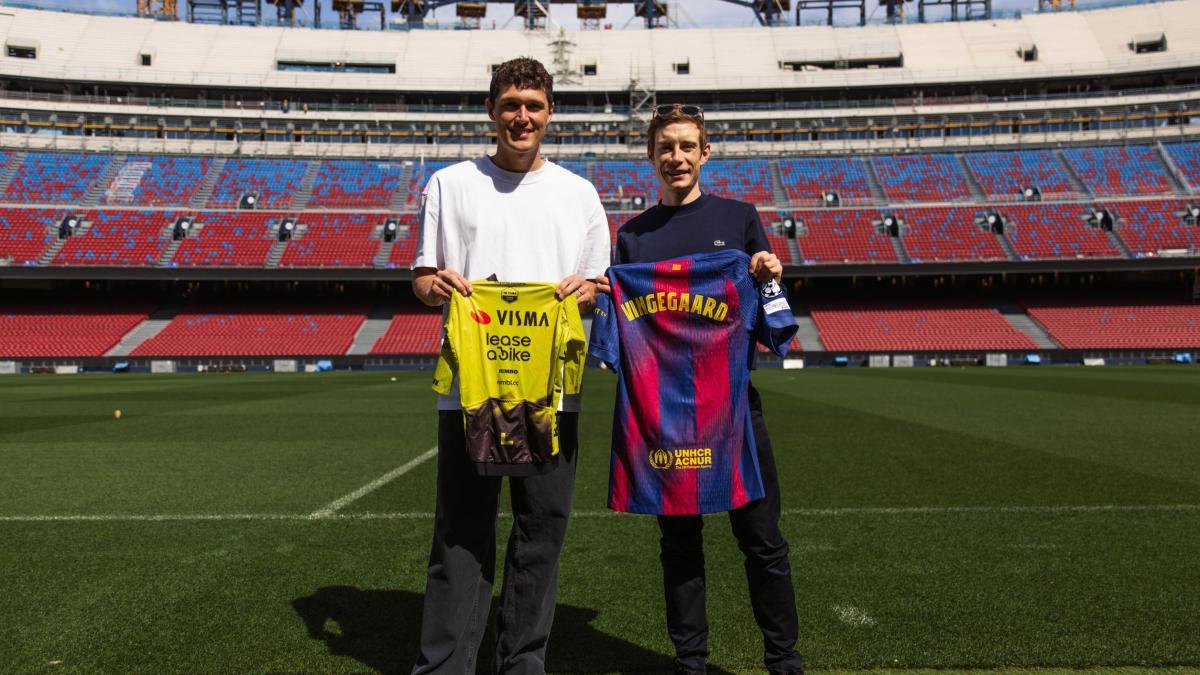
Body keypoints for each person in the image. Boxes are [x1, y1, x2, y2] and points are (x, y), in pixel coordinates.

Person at [409, 57, 610, 675]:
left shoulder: (580, 195)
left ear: (550, 113)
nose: (522, 116)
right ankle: (445, 665)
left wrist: (588, 292)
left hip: (550, 396)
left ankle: (522, 661)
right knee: (461, 531)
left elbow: (601, 287)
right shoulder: (448, 183)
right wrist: (432, 285)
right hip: (472, 391)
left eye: (534, 105)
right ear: (492, 111)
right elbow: (420, 278)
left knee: (540, 532)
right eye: (511, 104)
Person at [601, 104, 805, 675]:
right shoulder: (633, 238)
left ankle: (784, 661)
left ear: (705, 152)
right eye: (666, 147)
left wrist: (767, 270)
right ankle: (690, 663)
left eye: (687, 146)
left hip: (735, 413)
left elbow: (768, 313)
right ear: (651, 156)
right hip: (664, 420)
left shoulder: (740, 219)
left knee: (763, 542)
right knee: (680, 546)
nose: (677, 157)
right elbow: (622, 328)